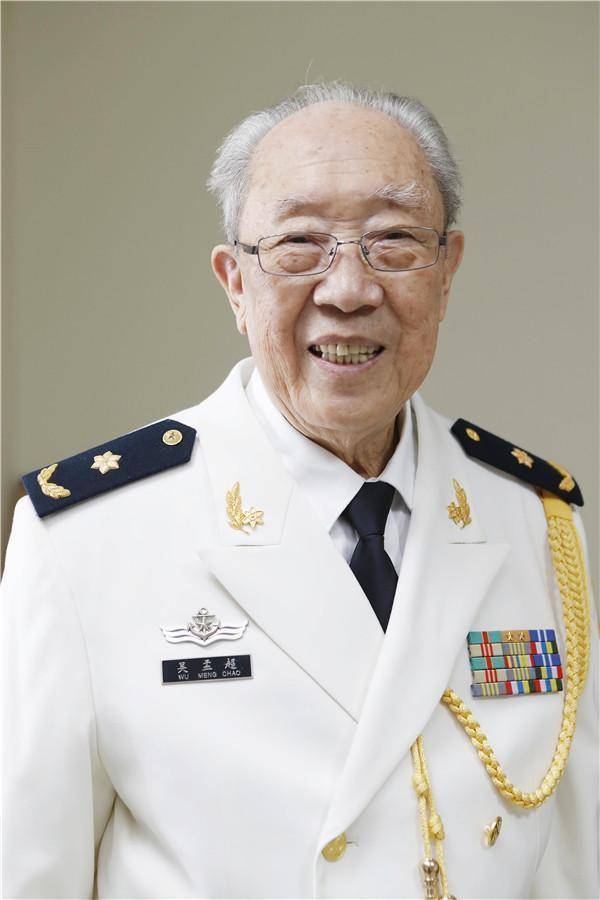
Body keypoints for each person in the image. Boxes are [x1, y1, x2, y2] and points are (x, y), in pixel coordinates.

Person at [1, 81, 597, 900]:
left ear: (446, 271)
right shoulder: (88, 537)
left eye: (393, 241)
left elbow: (573, 869)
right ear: (234, 283)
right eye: (299, 244)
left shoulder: (532, 520)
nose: (348, 289)